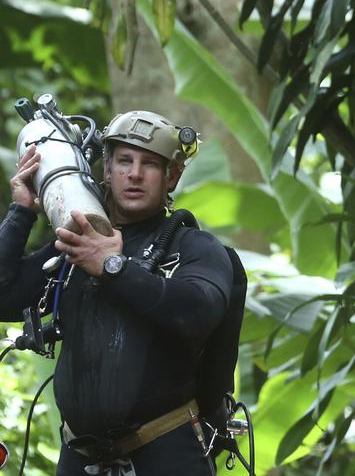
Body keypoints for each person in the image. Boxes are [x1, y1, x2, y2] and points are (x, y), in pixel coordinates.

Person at [0, 110, 234, 475]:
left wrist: (113, 267)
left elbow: (200, 310)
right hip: (79, 457)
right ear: (106, 169)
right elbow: (5, 297)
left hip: (166, 452)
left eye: (150, 165)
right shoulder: (77, 244)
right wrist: (21, 211)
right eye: (124, 161)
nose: (135, 174)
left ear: (172, 176)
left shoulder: (195, 247)